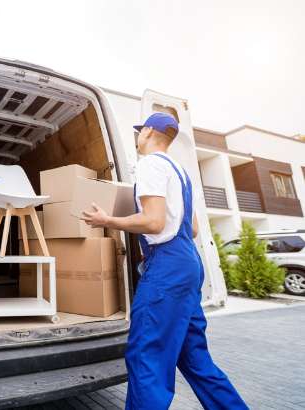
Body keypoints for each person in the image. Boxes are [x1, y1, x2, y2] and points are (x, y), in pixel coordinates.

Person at [81, 113, 248, 409]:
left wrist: (107, 219)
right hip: (187, 262)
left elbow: (155, 222)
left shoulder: (149, 165)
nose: (137, 138)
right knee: (195, 358)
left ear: (147, 131)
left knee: (147, 355)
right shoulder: (180, 172)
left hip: (168, 266)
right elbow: (193, 228)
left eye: (139, 132)